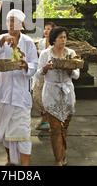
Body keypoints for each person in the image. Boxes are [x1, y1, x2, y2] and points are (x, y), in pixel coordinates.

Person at [0, 9, 38, 166]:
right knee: (5, 132)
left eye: (14, 21)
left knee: (23, 132)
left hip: (20, 96)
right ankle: (10, 159)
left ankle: (25, 166)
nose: (11, 24)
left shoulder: (28, 42)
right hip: (2, 94)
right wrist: (1, 42)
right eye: (9, 21)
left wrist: (25, 66)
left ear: (21, 25)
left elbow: (34, 65)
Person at [37, 27, 79, 166]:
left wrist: (70, 68)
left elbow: (77, 75)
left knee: (64, 127)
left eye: (65, 37)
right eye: (60, 37)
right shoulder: (45, 54)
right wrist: (45, 69)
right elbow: (37, 74)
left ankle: (62, 152)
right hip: (51, 92)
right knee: (55, 128)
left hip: (67, 92)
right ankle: (59, 159)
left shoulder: (71, 53)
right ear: (53, 39)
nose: (63, 40)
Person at [35, 22, 56, 131]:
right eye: (45, 29)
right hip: (40, 71)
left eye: (49, 29)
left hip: (51, 73)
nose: (46, 31)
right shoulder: (40, 43)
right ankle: (44, 118)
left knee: (49, 97)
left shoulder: (55, 44)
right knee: (37, 97)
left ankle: (48, 120)